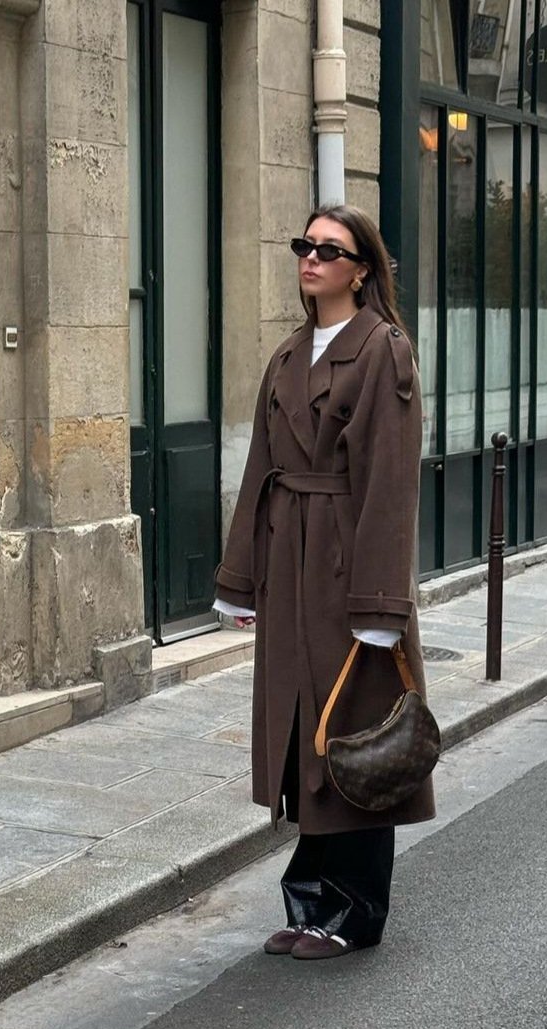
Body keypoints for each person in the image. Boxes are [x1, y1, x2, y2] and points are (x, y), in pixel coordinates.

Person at [213, 204, 435, 961]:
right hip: (289, 568)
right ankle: (311, 903)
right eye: (304, 246)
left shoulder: (383, 351)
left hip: (347, 573)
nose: (310, 258)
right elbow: (260, 470)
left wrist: (380, 605)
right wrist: (240, 578)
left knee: (355, 740)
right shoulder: (287, 354)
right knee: (302, 744)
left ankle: (355, 913)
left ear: (361, 270)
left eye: (329, 250)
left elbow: (390, 485)